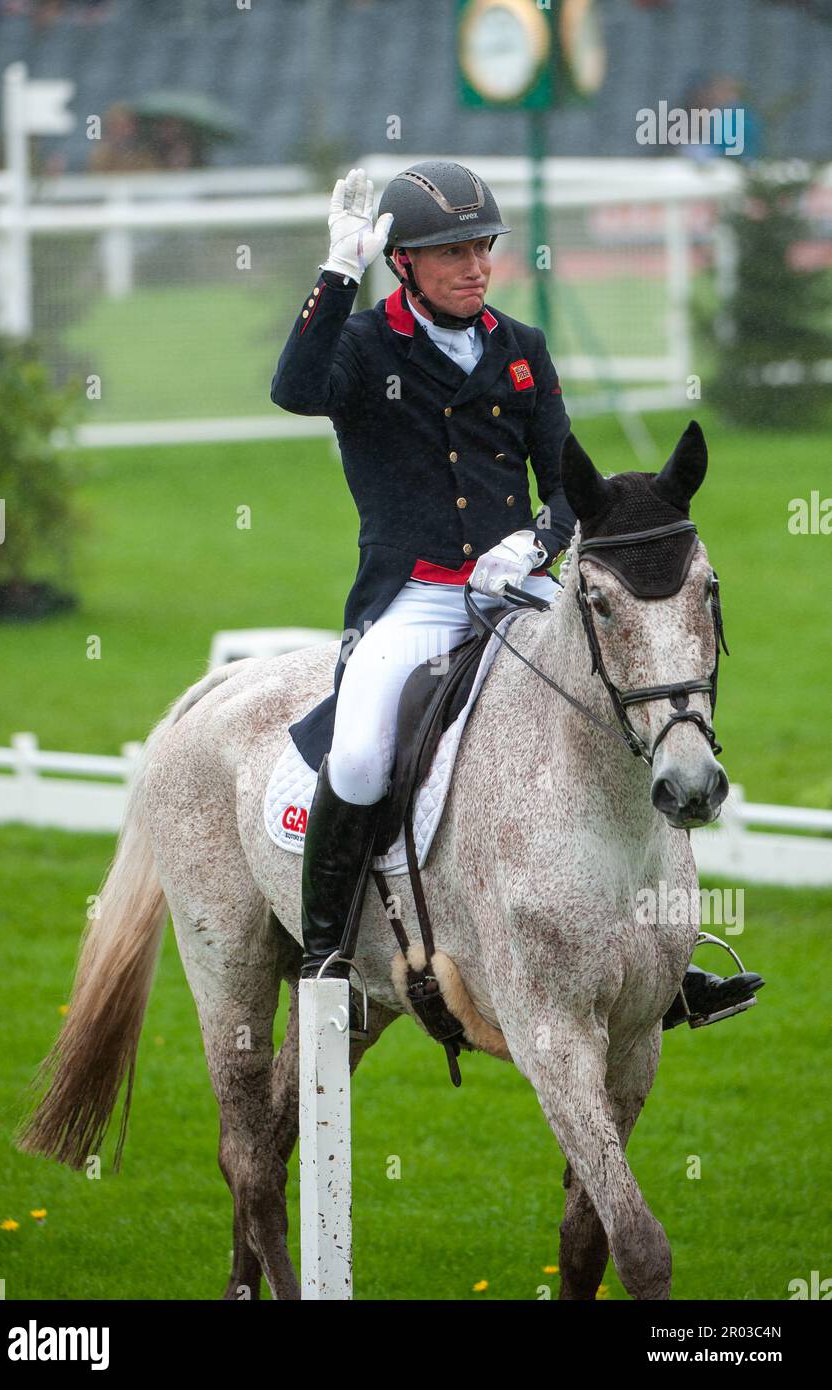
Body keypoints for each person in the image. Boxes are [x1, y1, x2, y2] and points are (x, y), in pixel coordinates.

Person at [271, 161, 762, 1036]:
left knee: (625, 716)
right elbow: (294, 389)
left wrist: (534, 542)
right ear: (403, 264)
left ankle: (664, 960)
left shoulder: (522, 346)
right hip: (415, 598)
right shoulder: (363, 345)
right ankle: (327, 958)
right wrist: (337, 271)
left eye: (482, 247)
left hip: (522, 588)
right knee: (355, 757)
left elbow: (571, 481)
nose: (475, 265)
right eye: (450, 251)